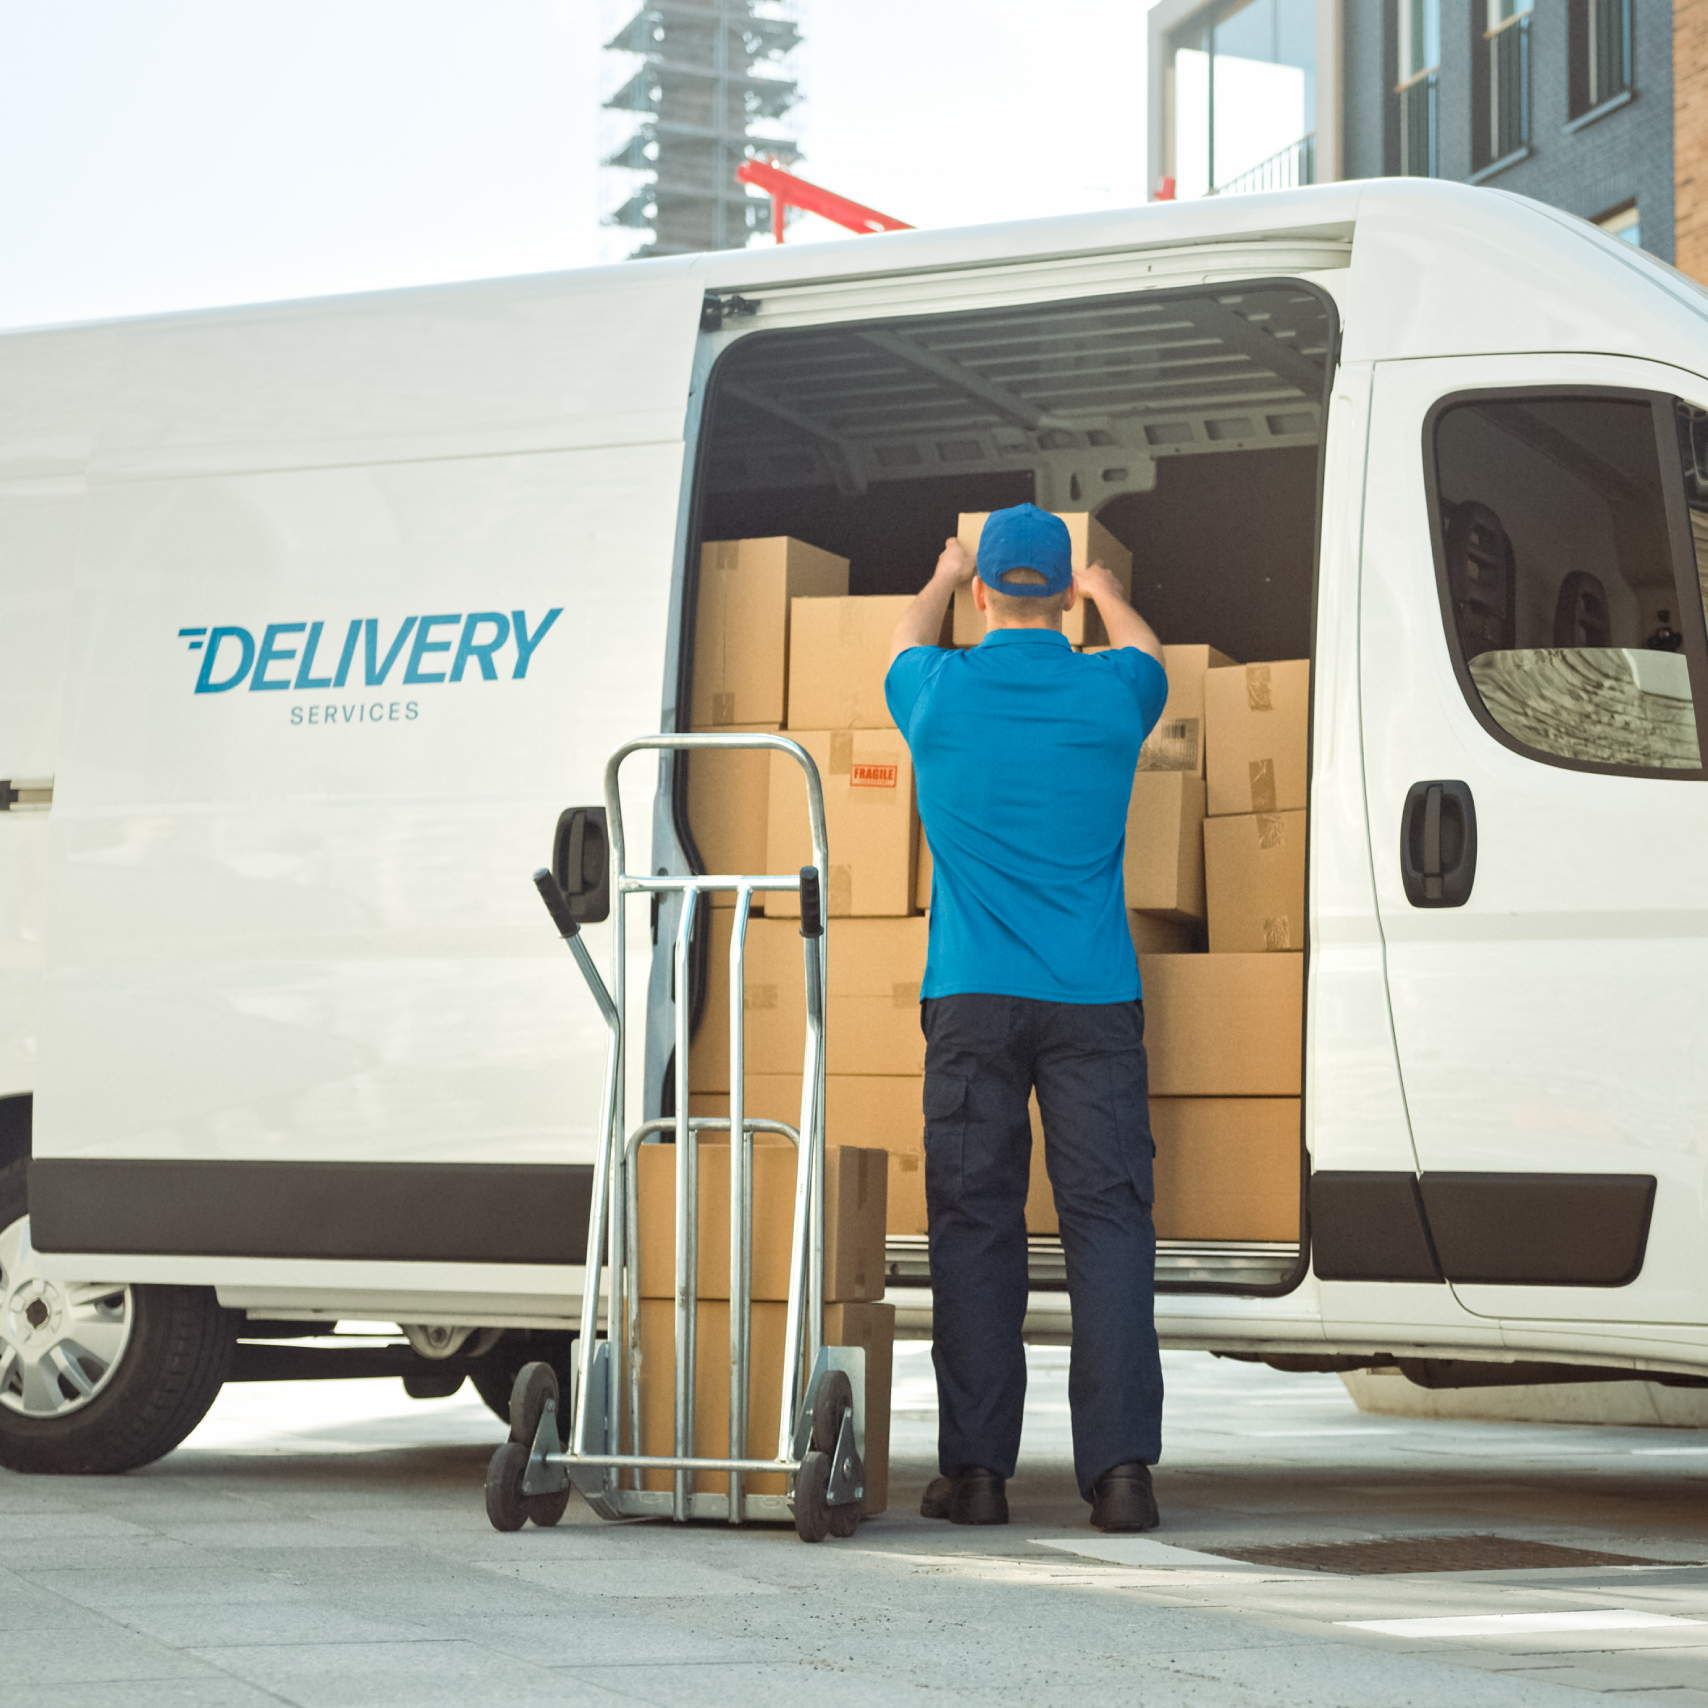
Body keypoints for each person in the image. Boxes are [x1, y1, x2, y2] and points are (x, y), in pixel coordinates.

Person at [884, 503, 1169, 1533]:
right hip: (1091, 998)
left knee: (973, 1227)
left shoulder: (934, 692)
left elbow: (903, 637)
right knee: (1107, 1228)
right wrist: (1107, 596)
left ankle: (976, 1476)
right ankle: (1121, 1473)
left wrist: (938, 566)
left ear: (981, 591)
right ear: (1060, 594)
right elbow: (1149, 650)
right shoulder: (1113, 690)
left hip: (971, 996)